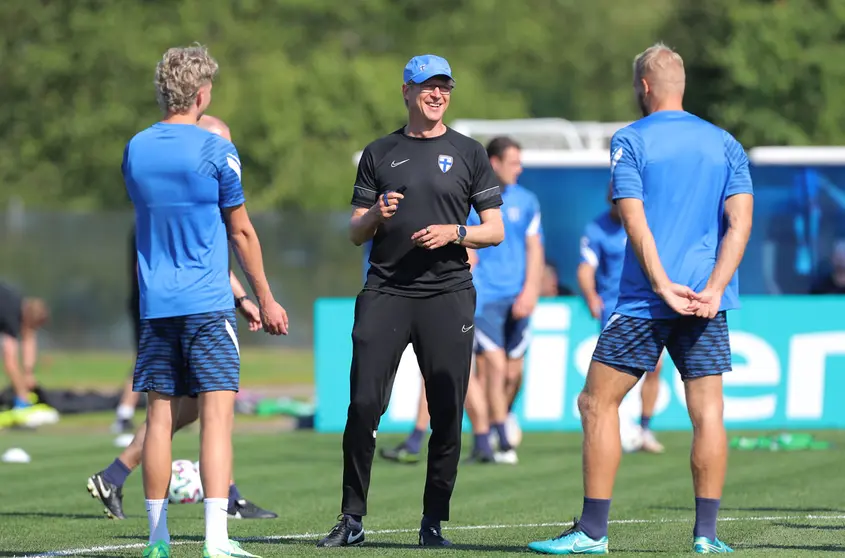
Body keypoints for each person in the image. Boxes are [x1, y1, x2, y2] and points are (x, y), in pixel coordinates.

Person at [528, 43, 753, 555]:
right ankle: (707, 537)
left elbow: (633, 218)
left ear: (644, 87)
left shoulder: (630, 138)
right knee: (708, 413)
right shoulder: (725, 143)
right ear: (682, 85)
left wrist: (658, 283)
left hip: (644, 302)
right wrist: (715, 288)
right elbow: (740, 223)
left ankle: (592, 532)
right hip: (704, 301)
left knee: (597, 403)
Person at [317, 54, 504, 549]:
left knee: (447, 410)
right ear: (406, 91)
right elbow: (355, 232)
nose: (437, 94)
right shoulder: (379, 152)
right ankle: (351, 517)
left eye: (444, 86)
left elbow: (496, 230)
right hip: (386, 290)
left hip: (447, 294)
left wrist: (455, 232)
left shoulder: (470, 152)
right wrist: (376, 213)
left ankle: (433, 521)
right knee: (362, 405)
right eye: (427, 86)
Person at [123, 45, 288, 558]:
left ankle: (158, 541)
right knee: (216, 418)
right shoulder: (216, 151)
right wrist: (264, 295)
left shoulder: (136, 148)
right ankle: (216, 542)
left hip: (156, 305)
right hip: (207, 303)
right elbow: (240, 230)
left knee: (158, 420)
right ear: (201, 94)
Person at [379, 136, 543, 465]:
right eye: (513, 162)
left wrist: (531, 290)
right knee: (470, 368)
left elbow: (534, 247)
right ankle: (492, 439)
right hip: (479, 298)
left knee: (508, 374)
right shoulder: (468, 201)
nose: (519, 169)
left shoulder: (526, 201)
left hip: (515, 298)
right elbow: (464, 247)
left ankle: (491, 431)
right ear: (493, 163)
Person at [87, 270, 277, 522]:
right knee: (214, 410)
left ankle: (115, 478)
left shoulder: (147, 230)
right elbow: (228, 243)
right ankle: (228, 503)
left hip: (160, 305)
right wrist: (251, 299)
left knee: (183, 411)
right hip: (202, 308)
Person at [577, 181, 665, 454]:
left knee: (655, 368)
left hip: (649, 305)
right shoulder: (596, 229)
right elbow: (585, 268)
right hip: (616, 309)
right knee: (614, 372)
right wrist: (591, 296)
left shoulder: (645, 223)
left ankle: (645, 427)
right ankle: (614, 424)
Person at [0, 282, 57, 428]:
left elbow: (29, 336)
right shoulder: (10, 315)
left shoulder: (19, 302)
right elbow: (10, 361)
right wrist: (22, 397)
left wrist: (28, 373)